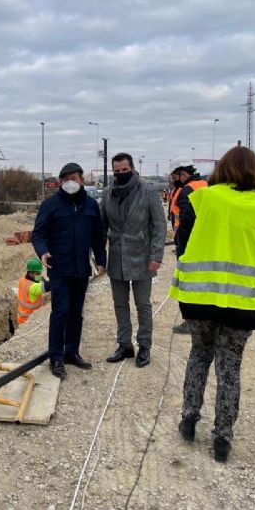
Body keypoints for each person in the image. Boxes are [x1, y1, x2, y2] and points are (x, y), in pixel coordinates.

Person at [170, 146, 255, 462]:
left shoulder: (203, 198)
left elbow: (182, 240)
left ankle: (189, 420)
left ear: (222, 169)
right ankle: (222, 439)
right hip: (242, 304)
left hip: (200, 298)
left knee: (199, 356)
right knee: (230, 369)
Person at [32, 162, 106, 380]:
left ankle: (71, 352)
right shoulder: (51, 205)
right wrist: (43, 251)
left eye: (74, 178)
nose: (70, 183)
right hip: (60, 268)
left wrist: (101, 260)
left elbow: (97, 236)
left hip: (81, 268)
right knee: (60, 311)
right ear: (60, 182)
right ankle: (56, 357)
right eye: (65, 180)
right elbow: (38, 234)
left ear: (82, 179)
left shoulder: (91, 205)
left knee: (76, 312)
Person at [100, 153, 167, 367]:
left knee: (142, 305)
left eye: (124, 170)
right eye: (117, 171)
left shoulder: (148, 192)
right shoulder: (108, 193)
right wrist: (100, 256)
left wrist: (156, 255)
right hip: (117, 259)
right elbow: (102, 226)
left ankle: (144, 346)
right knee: (120, 304)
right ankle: (124, 345)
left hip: (143, 258)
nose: (121, 174)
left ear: (132, 168)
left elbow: (159, 226)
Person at [168, 157, 208, 334]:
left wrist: (181, 247)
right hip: (203, 243)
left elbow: (185, 222)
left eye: (174, 175)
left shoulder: (187, 190)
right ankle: (202, 318)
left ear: (183, 173)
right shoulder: (205, 185)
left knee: (186, 284)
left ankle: (191, 321)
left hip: (188, 245)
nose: (173, 179)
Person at [16, 257, 51, 325]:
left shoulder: (23, 280)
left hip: (21, 317)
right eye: (37, 273)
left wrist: (40, 278)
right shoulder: (32, 287)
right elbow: (48, 286)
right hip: (27, 321)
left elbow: (39, 279)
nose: (39, 275)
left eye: (40, 272)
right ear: (31, 273)